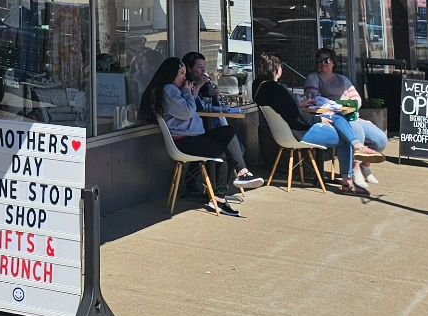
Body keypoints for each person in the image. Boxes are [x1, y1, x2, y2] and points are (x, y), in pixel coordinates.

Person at [140, 56, 261, 215]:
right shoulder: (169, 90)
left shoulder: (175, 90)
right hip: (184, 141)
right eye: (181, 74)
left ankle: (242, 172)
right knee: (222, 151)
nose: (184, 77)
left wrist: (193, 92)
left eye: (184, 73)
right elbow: (188, 112)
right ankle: (219, 198)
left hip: (194, 136)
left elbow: (192, 108)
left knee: (228, 132)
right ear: (171, 75)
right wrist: (188, 92)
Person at [252, 52, 363, 195]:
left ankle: (357, 145)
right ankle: (347, 180)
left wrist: (300, 105)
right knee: (343, 136)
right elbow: (296, 118)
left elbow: (285, 109)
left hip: (281, 133)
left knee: (335, 119)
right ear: (276, 69)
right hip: (299, 133)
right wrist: (318, 119)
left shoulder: (259, 87)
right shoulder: (278, 89)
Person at [303, 47, 388, 189]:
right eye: (319, 60)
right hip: (334, 118)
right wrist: (341, 104)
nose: (322, 63)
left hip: (351, 116)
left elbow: (357, 100)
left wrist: (345, 105)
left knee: (381, 140)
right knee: (357, 132)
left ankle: (364, 166)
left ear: (333, 62)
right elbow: (315, 99)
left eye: (326, 60)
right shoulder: (314, 77)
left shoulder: (343, 79)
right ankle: (354, 169)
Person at [182, 51, 264, 189]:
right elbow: (191, 109)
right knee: (224, 144)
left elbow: (212, 107)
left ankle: (238, 175)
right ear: (189, 69)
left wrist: (214, 93)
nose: (203, 70)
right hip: (190, 132)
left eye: (205, 67)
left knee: (228, 134)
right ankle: (219, 189)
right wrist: (199, 86)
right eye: (199, 67)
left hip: (203, 127)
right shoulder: (185, 87)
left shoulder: (203, 85)